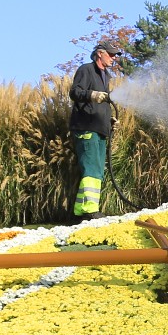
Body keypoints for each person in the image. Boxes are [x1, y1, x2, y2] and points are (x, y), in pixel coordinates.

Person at [68, 41, 121, 218]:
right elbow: (75, 92)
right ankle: (90, 211)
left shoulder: (105, 76)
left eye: (115, 55)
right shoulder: (86, 70)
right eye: (111, 54)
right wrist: (92, 94)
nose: (114, 58)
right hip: (86, 127)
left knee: (97, 170)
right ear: (100, 53)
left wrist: (110, 120)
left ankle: (80, 210)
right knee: (90, 169)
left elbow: (101, 105)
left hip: (100, 128)